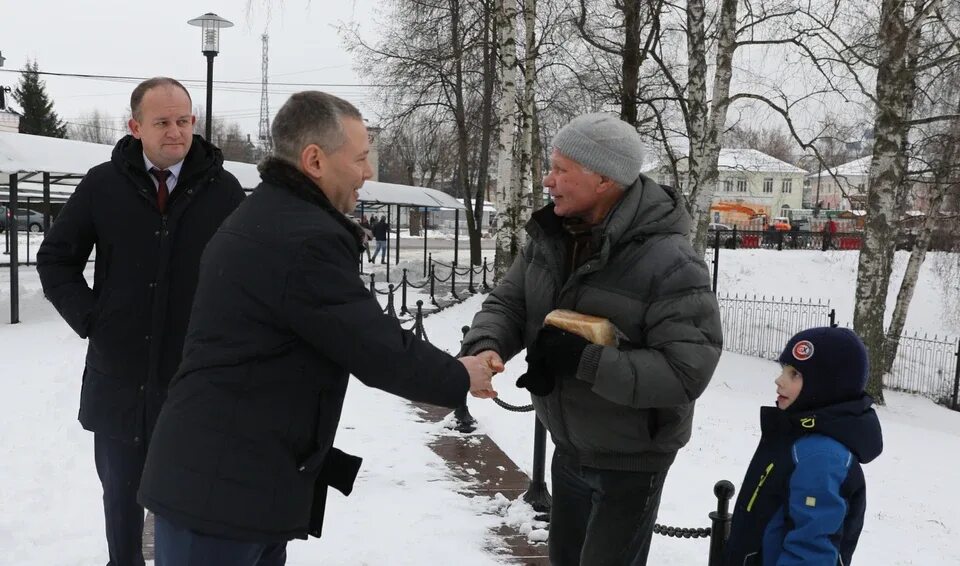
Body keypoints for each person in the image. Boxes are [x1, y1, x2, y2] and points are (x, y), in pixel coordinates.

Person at [137, 91, 498, 566]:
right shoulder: (303, 239)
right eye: (362, 158)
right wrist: (459, 375)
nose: (368, 172)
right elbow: (374, 345)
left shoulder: (272, 214)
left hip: (232, 480)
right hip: (222, 494)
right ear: (314, 160)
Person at [461, 112, 723, 565]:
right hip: (570, 445)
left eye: (562, 169)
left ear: (603, 179)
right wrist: (486, 347)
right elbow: (510, 303)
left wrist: (584, 359)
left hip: (631, 460)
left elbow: (686, 372)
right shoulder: (551, 238)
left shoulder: (671, 262)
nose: (548, 180)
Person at [36, 77, 246, 566]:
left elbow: (249, 276)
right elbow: (55, 260)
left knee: (191, 507)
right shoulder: (102, 185)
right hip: (119, 382)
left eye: (184, 121)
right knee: (122, 506)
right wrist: (92, 318)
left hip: (194, 383)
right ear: (135, 127)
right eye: (163, 122)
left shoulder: (224, 190)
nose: (176, 132)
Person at [723, 327, 883, 566]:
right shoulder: (796, 436)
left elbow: (811, 553)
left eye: (794, 374)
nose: (779, 380)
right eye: (783, 370)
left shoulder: (821, 456)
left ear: (826, 386)